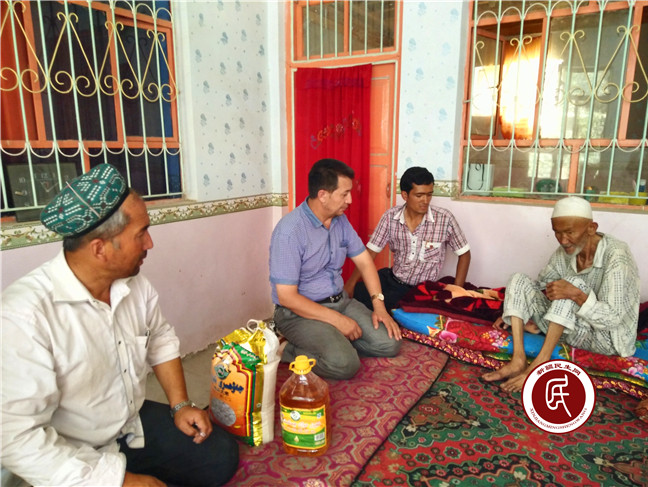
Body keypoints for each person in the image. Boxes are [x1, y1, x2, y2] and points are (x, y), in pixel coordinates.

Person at [1, 164, 239, 487]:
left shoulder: (133, 285)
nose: (150, 244)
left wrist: (180, 404)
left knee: (221, 456)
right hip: (71, 452)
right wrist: (119, 481)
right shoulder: (24, 316)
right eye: (141, 234)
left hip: (127, 425)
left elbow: (160, 338)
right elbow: (16, 438)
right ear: (99, 249)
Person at [483, 196, 640, 392]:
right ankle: (518, 359)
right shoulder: (565, 250)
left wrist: (577, 295)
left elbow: (613, 319)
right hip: (571, 330)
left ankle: (540, 364)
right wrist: (517, 311)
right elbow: (539, 285)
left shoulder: (617, 255)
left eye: (570, 232)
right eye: (557, 232)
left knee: (571, 285)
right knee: (518, 279)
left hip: (607, 339)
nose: (563, 240)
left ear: (591, 228)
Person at [269, 158, 402, 380]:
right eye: (344, 194)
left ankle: (337, 343)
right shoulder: (290, 232)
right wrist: (337, 320)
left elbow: (365, 262)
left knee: (390, 343)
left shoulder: (340, 221)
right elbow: (287, 297)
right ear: (323, 195)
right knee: (345, 364)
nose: (350, 200)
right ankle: (284, 348)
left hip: (341, 302)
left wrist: (379, 306)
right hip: (299, 314)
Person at [345, 166, 471, 312]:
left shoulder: (445, 219)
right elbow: (370, 252)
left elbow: (465, 254)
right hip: (392, 279)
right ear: (405, 195)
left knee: (388, 308)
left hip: (420, 290)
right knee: (355, 295)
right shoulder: (390, 217)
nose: (425, 200)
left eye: (429, 194)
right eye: (419, 195)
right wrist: (351, 283)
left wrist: (456, 291)